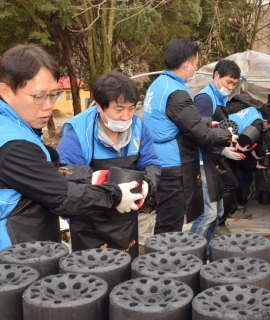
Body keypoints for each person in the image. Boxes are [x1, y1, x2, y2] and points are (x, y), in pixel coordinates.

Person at [0, 44, 143, 250]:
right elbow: (62, 196)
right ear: (6, 91)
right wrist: (115, 196)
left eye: (53, 95)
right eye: (39, 97)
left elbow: (49, 170)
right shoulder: (13, 144)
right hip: (14, 253)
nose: (49, 105)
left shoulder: (19, 127)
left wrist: (92, 177)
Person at [58, 72, 161, 258]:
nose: (126, 117)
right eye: (119, 109)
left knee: (125, 270)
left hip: (125, 219)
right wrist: (96, 178)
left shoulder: (138, 127)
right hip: (88, 224)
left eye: (131, 109)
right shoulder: (78, 133)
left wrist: (147, 184)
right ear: (99, 106)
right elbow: (64, 172)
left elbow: (151, 163)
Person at [143, 39, 235, 234]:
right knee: (170, 224)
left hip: (160, 159)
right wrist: (228, 138)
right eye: (196, 64)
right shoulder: (176, 91)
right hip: (172, 165)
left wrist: (211, 124)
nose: (196, 69)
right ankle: (165, 263)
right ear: (186, 65)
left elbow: (182, 122)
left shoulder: (158, 84)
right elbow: (201, 136)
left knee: (167, 220)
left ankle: (164, 260)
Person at [191, 59, 243, 240]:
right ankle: (191, 254)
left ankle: (205, 251)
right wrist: (222, 149)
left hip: (215, 160)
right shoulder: (205, 98)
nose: (230, 87)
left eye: (234, 84)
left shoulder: (220, 98)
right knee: (208, 214)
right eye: (228, 82)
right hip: (203, 161)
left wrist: (225, 148)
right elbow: (200, 133)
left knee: (218, 211)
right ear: (216, 76)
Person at [228, 104, 270, 216]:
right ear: (265, 122)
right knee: (233, 180)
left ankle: (234, 205)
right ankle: (231, 211)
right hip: (226, 143)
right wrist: (254, 164)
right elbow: (242, 150)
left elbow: (259, 137)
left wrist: (260, 153)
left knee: (239, 176)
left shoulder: (254, 111)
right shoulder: (256, 126)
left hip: (227, 135)